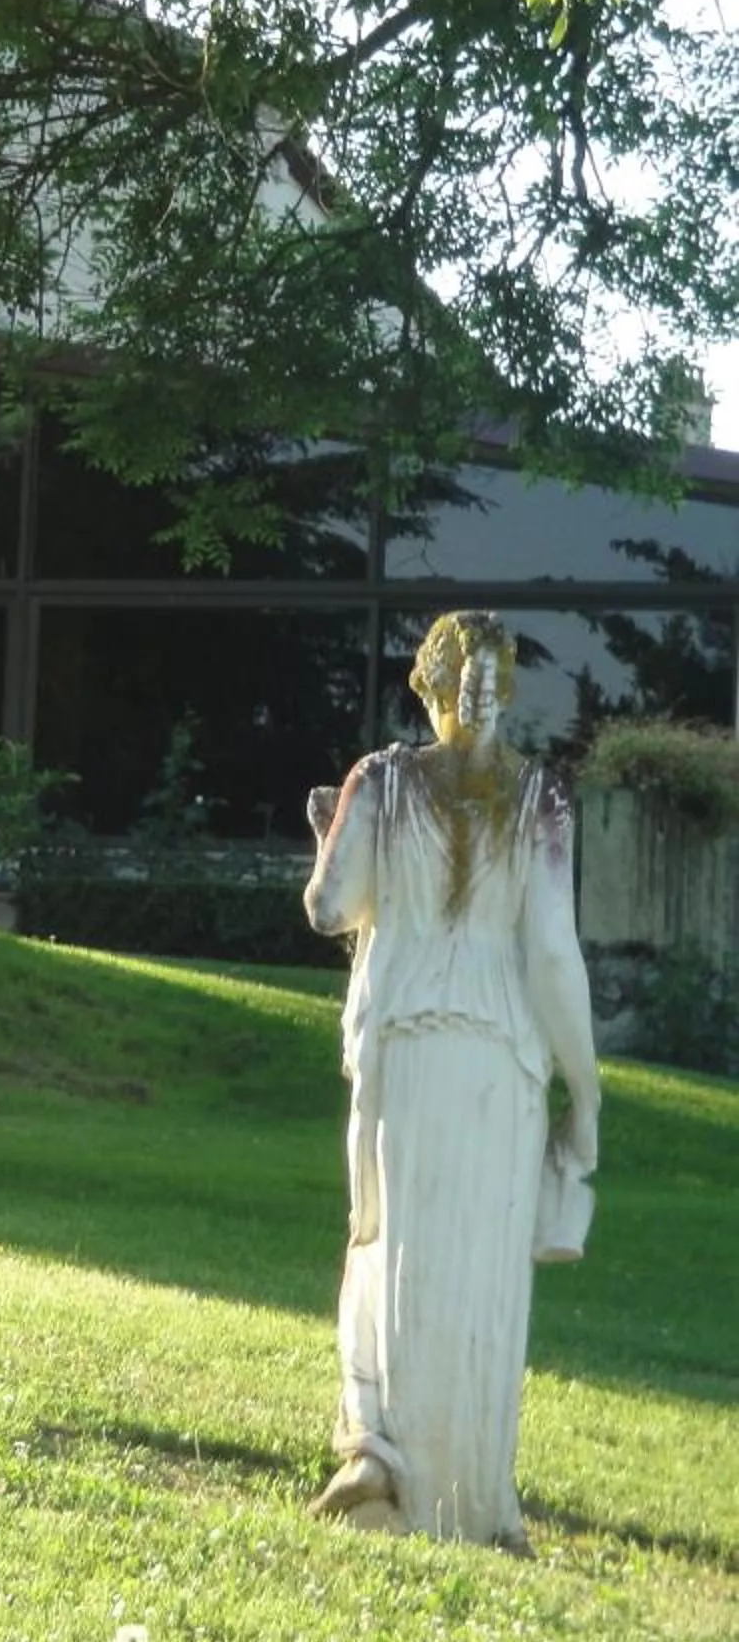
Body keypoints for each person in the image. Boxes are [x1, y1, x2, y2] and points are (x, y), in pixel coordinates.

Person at [301, 609, 599, 1548]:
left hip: (405, 1042)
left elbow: (328, 907)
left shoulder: (380, 781)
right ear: (503, 687)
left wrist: (328, 831)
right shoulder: (542, 799)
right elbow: (552, 956)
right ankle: (475, 1501)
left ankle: (380, 1457)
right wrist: (586, 1091)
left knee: (385, 1242)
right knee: (484, 1270)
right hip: (502, 1059)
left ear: (429, 686)